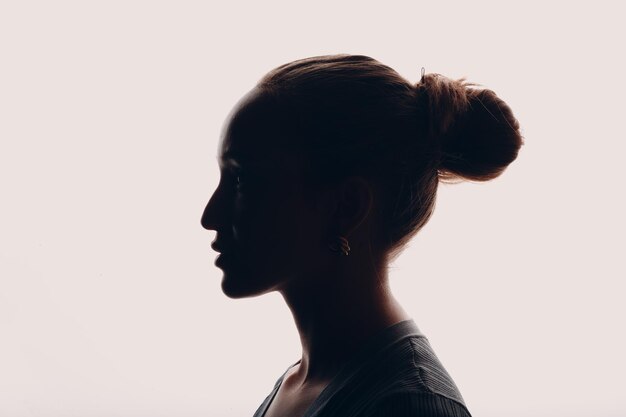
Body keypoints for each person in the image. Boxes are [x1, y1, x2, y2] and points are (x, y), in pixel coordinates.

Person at [201, 54, 523, 417]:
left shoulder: (409, 406)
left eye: (243, 180)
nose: (210, 216)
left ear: (346, 207)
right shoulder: (303, 382)